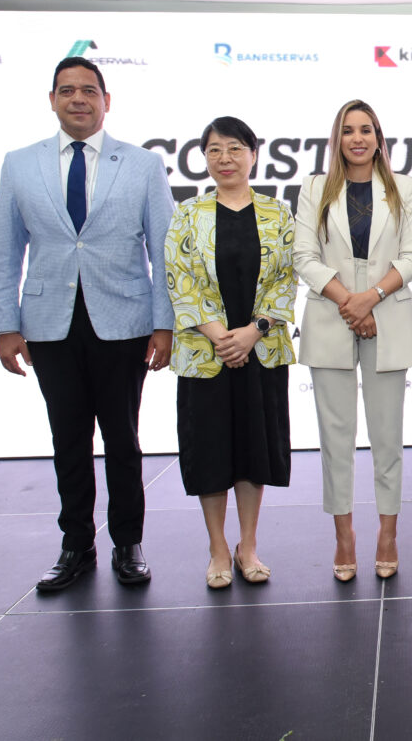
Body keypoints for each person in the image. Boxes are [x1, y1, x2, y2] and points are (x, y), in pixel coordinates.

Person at [0, 56, 174, 590]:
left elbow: (163, 251)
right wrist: (5, 323)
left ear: (106, 101)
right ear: (51, 100)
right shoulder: (19, 164)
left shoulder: (141, 164)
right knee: (67, 438)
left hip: (125, 321)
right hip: (48, 325)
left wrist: (164, 325)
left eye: (89, 91)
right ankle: (75, 546)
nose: (78, 99)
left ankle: (128, 544)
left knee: (123, 438)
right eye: (66, 90)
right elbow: (6, 249)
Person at [294, 100, 412, 582]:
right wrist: (350, 301)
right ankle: (343, 535)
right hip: (331, 316)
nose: (357, 138)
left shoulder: (404, 188)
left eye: (366, 130)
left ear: (379, 138)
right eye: (348, 130)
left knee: (387, 438)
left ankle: (387, 533)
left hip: (387, 315)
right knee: (336, 440)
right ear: (337, 139)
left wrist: (369, 298)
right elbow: (303, 255)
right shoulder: (314, 189)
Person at [165, 116, 297, 589]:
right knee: (212, 451)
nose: (225, 158)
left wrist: (253, 332)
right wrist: (223, 336)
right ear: (204, 158)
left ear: (254, 155)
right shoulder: (187, 213)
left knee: (252, 451)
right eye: (215, 150)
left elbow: (287, 279)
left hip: (259, 350)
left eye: (235, 148)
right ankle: (217, 548)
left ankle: (248, 545)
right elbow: (180, 280)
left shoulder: (278, 213)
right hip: (207, 354)